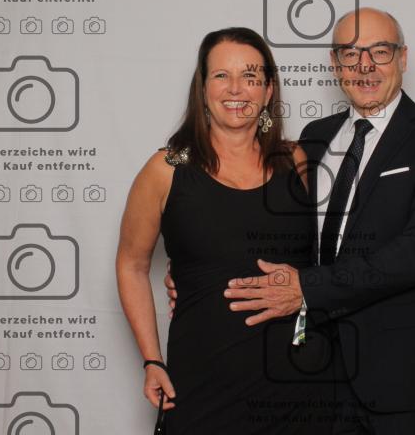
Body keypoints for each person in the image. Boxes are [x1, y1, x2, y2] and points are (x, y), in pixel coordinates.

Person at [198, 7, 415, 434]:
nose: (364, 66)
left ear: (403, 58)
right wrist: (200, 273)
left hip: (408, 380)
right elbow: (283, 233)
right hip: (317, 373)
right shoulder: (315, 137)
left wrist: (308, 287)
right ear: (334, 64)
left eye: (380, 51)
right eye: (350, 53)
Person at [116, 27, 333, 433]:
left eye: (250, 76)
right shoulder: (166, 169)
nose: (236, 89)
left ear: (268, 91)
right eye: (221, 75)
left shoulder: (295, 160)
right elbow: (131, 264)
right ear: (202, 89)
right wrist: (152, 359)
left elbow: (323, 260)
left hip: (299, 385)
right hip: (204, 383)